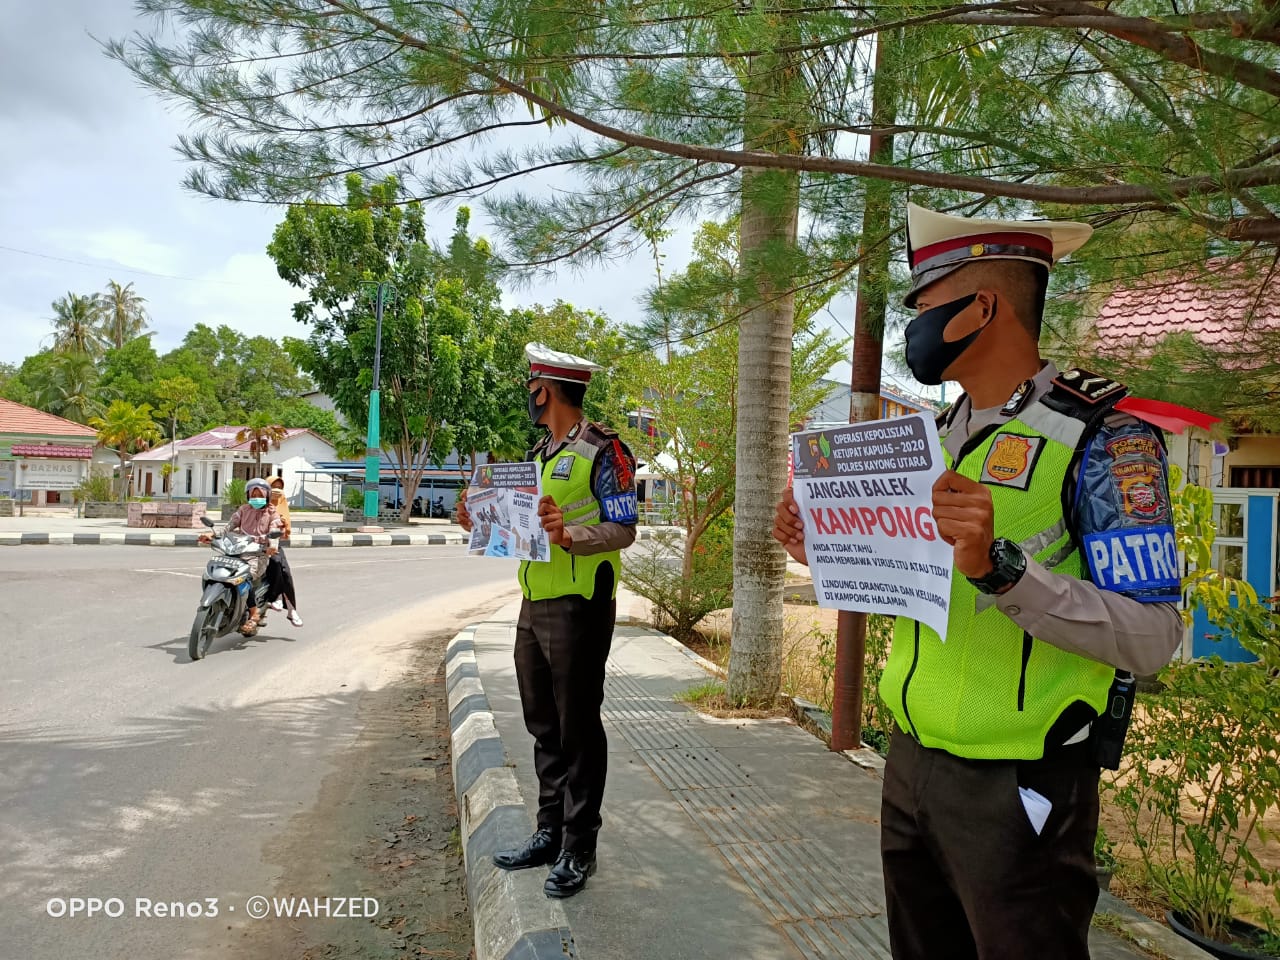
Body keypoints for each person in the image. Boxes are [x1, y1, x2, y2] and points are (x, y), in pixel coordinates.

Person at [773, 203, 1184, 960]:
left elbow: (1154, 637)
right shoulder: (927, 440)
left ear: (981, 307)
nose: (915, 326)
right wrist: (818, 548)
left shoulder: (1104, 440)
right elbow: (909, 578)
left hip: (1021, 787)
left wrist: (1004, 569)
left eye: (925, 305)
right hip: (911, 764)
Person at [457, 343, 638, 898]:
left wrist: (570, 535)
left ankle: (579, 847)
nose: (528, 398)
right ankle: (549, 831)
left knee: (578, 726)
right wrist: (477, 517)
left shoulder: (607, 452)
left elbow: (625, 528)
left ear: (547, 389)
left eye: (530, 388)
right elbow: (518, 527)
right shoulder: (539, 453)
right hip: (533, 604)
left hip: (581, 604)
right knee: (543, 724)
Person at [201, 477, 282, 636]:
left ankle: (254, 613)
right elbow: (228, 527)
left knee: (244, 578)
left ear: (267, 495)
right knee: (220, 571)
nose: (256, 498)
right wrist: (212, 536)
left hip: (258, 554)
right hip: (237, 550)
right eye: (253, 494)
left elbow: (274, 531)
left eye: (259, 494)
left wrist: (272, 546)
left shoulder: (272, 513)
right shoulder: (243, 510)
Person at [265, 476, 303, 627]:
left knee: (281, 567)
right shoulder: (257, 504)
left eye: (279, 488)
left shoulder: (281, 504)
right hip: (252, 543)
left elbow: (285, 529)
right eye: (273, 487)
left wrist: (282, 526)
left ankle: (289, 607)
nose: (276, 491)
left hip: (272, 544)